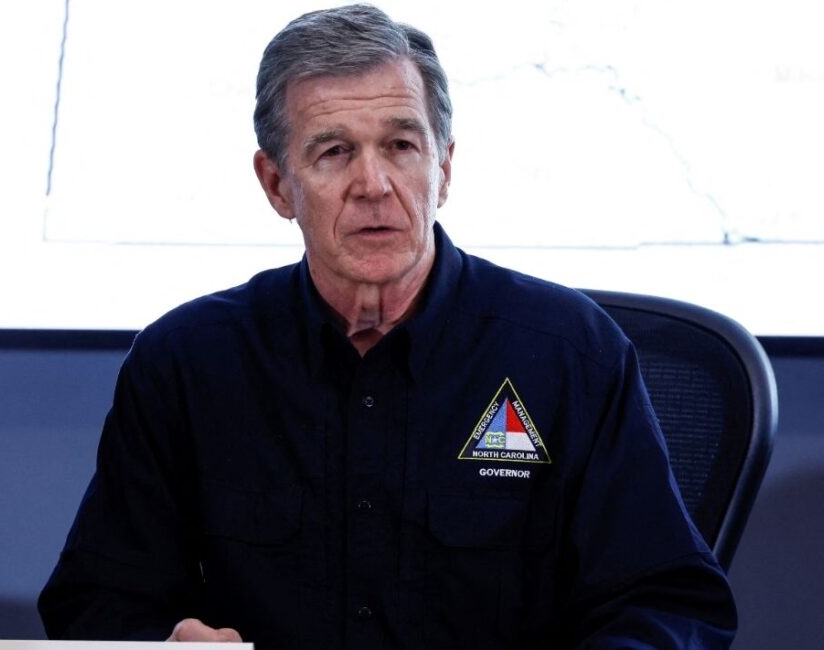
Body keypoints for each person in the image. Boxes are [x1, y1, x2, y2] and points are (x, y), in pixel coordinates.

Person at [37, 4, 737, 648]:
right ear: (277, 185)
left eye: (401, 145)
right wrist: (162, 642)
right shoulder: (186, 364)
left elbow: (667, 602)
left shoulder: (570, 354)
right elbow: (98, 600)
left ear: (444, 167)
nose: (374, 185)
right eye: (334, 152)